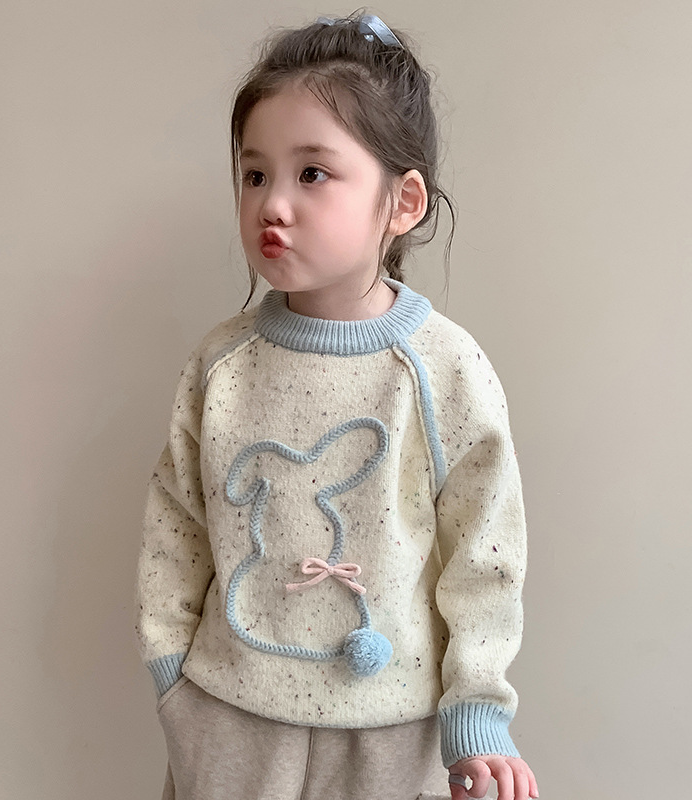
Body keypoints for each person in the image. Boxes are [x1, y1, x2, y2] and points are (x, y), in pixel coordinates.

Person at [135, 12, 539, 800]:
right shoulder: (220, 364)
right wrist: (172, 674)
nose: (272, 205)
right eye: (255, 175)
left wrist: (478, 713)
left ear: (404, 201)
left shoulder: (445, 370)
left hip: (390, 734)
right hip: (226, 722)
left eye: (312, 173)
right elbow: (174, 527)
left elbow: (485, 554)